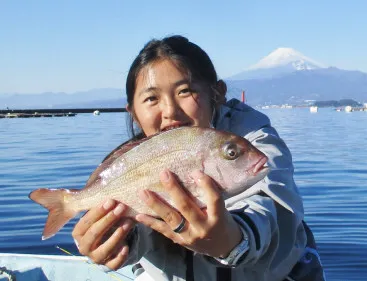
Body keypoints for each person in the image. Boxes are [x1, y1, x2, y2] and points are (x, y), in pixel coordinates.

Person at [72, 35, 325, 281]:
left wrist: (231, 240)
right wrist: (113, 241)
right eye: (151, 98)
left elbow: (271, 206)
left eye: (185, 91)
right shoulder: (131, 162)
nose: (170, 111)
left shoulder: (253, 141)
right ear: (134, 113)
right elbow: (143, 225)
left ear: (217, 93)